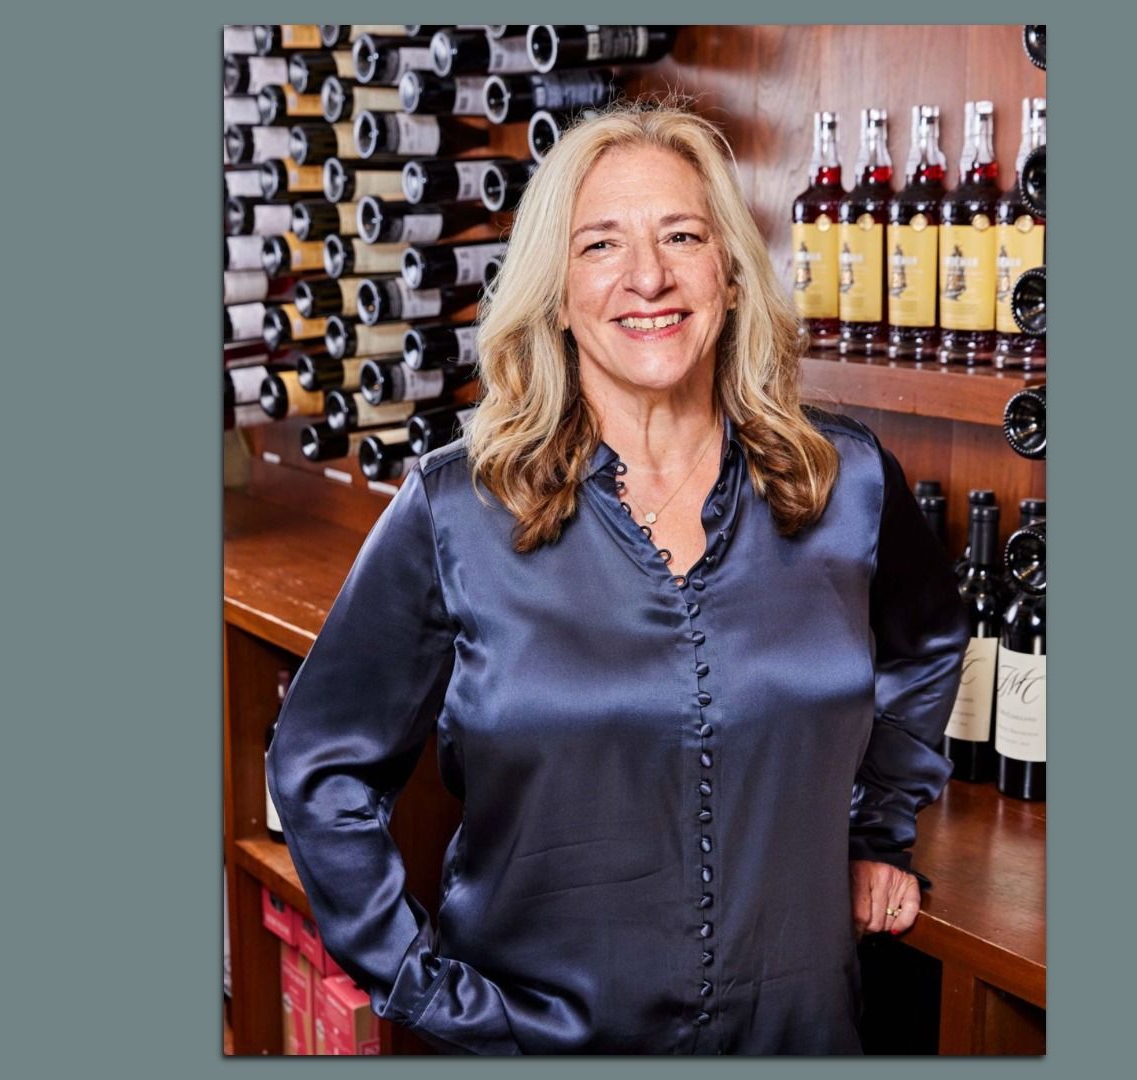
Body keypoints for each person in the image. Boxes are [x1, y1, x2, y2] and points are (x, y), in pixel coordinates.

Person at [266, 100, 967, 1055]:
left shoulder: (846, 483)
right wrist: (423, 989)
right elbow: (319, 765)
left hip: (799, 1033)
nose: (649, 276)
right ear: (557, 293)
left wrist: (876, 829)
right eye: (601, 245)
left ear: (729, 271)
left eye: (682, 236)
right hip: (536, 1044)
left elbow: (928, 646)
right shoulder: (456, 508)